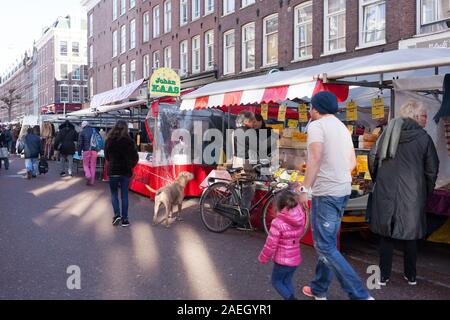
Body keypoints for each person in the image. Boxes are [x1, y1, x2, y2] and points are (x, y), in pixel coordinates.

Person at [298, 91, 373, 300]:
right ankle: (319, 289)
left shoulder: (316, 126)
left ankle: (360, 295)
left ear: (316, 108)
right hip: (342, 189)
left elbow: (314, 158)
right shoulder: (341, 127)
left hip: (326, 192)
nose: (310, 111)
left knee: (324, 246)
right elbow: (351, 162)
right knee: (328, 243)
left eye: (311, 107)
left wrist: (305, 188)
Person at [368, 100, 439, 286]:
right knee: (411, 234)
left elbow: (372, 157)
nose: (426, 119)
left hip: (386, 190)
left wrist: (379, 180)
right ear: (415, 116)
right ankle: (411, 275)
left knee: (386, 234)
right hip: (413, 194)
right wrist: (425, 191)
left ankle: (383, 276)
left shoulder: (387, 133)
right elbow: (432, 169)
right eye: (424, 115)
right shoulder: (424, 138)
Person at [258, 190, 307, 300]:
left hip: (282, 261)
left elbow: (270, 244)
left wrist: (263, 257)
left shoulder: (277, 223)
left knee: (277, 282)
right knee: (287, 281)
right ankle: (290, 297)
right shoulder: (300, 217)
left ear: (278, 206)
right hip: (295, 259)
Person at [104, 120, 139, 227]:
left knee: (114, 194)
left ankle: (117, 214)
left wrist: (112, 162)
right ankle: (125, 219)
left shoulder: (109, 140)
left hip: (113, 170)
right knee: (124, 196)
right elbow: (135, 157)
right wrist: (130, 166)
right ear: (126, 128)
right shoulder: (129, 141)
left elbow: (106, 156)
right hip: (125, 171)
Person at [232, 111, 257, 227]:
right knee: (248, 191)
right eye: (252, 121)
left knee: (236, 191)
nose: (254, 123)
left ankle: (232, 218)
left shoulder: (235, 132)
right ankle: (241, 221)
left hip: (236, 161)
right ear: (246, 121)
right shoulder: (250, 132)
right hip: (246, 164)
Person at [78, 121, 97, 185]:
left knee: (85, 165)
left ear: (83, 126)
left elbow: (80, 144)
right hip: (94, 150)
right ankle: (91, 182)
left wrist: (79, 152)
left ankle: (88, 175)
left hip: (86, 150)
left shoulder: (82, 132)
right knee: (93, 166)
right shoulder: (94, 130)